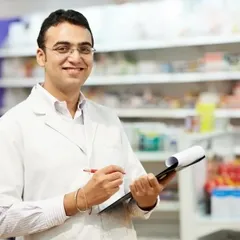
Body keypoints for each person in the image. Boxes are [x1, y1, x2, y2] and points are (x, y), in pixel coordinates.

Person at [0, 9, 176, 240]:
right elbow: (3, 219)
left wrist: (146, 198)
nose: (75, 57)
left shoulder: (107, 118)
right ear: (41, 56)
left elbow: (134, 202)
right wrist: (79, 199)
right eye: (63, 48)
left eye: (84, 49)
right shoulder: (13, 125)